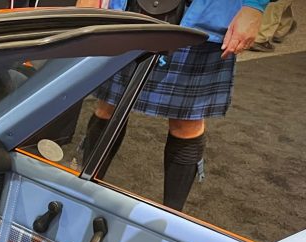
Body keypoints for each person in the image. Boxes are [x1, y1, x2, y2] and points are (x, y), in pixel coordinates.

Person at [77, 0, 265, 211]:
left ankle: (172, 215)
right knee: (110, 106)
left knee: (187, 121)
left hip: (203, 15)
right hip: (131, 9)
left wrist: (254, 6)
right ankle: (83, 193)